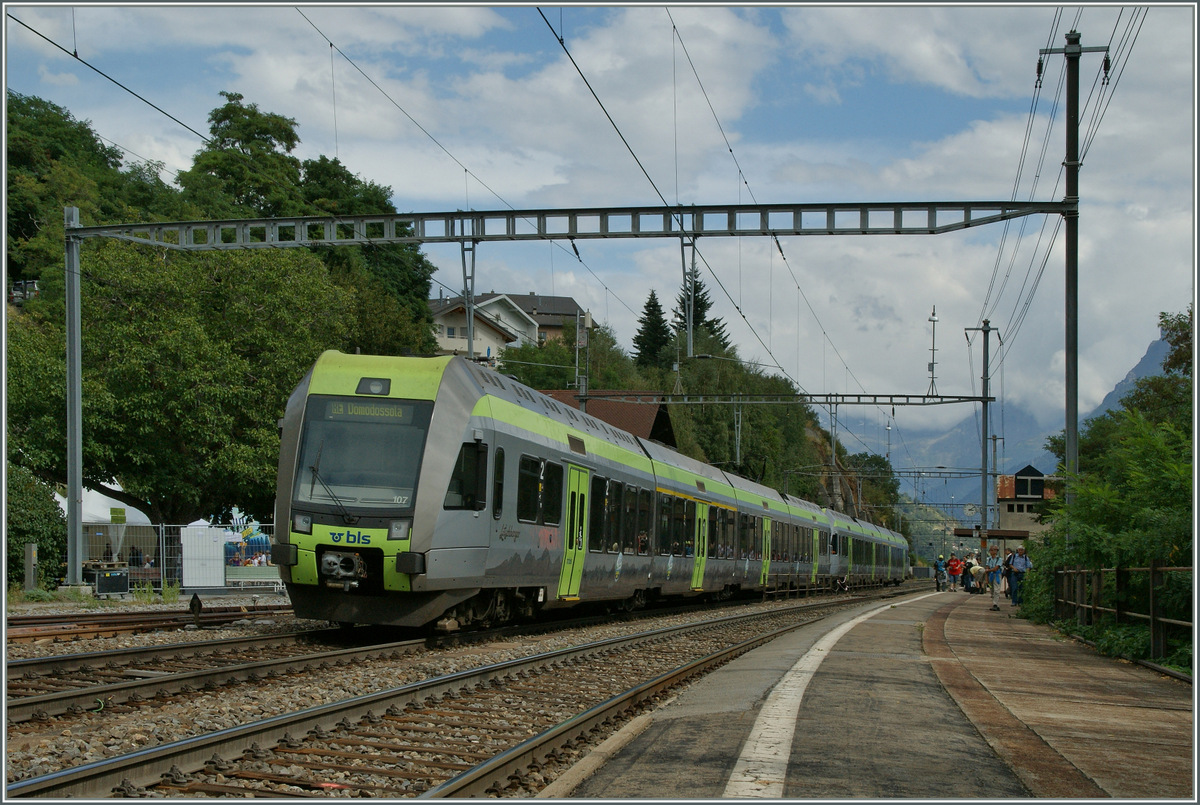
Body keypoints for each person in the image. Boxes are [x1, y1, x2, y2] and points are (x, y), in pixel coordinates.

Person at [984, 545, 1004, 610]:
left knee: (996, 590)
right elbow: (987, 568)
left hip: (997, 575)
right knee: (992, 590)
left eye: (994, 550)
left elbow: (996, 568)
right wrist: (986, 578)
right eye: (991, 550)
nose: (992, 551)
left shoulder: (999, 559)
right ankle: (994, 603)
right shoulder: (989, 559)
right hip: (990, 575)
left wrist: (988, 570)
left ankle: (995, 604)